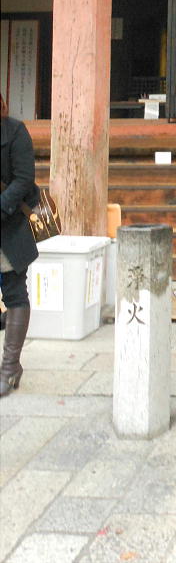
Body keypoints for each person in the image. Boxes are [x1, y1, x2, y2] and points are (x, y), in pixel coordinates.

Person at [0, 94, 39, 396]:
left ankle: (10, 367)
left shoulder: (15, 131)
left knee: (14, 291)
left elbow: (24, 180)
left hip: (9, 224)